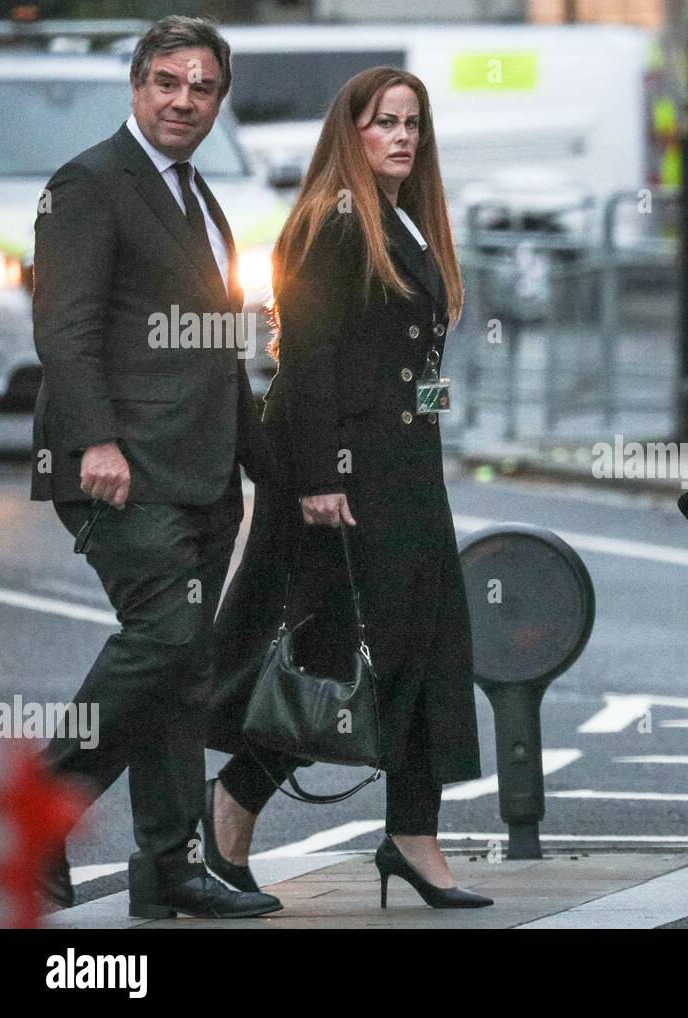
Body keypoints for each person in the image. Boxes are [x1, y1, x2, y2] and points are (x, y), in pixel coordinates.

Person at [202, 67, 491, 909]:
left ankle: (413, 835)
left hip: (408, 472)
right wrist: (324, 477)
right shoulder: (334, 224)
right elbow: (312, 357)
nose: (402, 136)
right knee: (334, 655)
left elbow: (405, 360)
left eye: (413, 123)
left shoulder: (405, 223)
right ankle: (231, 806)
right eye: (383, 123)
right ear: (350, 134)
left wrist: (430, 408)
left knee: (426, 653)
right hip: (350, 478)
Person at [31, 16, 280, 918]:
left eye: (202, 87)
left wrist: (273, 467)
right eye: (167, 82)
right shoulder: (90, 184)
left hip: (204, 471)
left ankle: (166, 869)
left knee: (184, 666)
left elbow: (218, 354)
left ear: (219, 99)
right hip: (120, 467)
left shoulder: (202, 199)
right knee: (168, 638)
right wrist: (95, 439)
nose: (184, 100)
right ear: (136, 86)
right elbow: (62, 329)